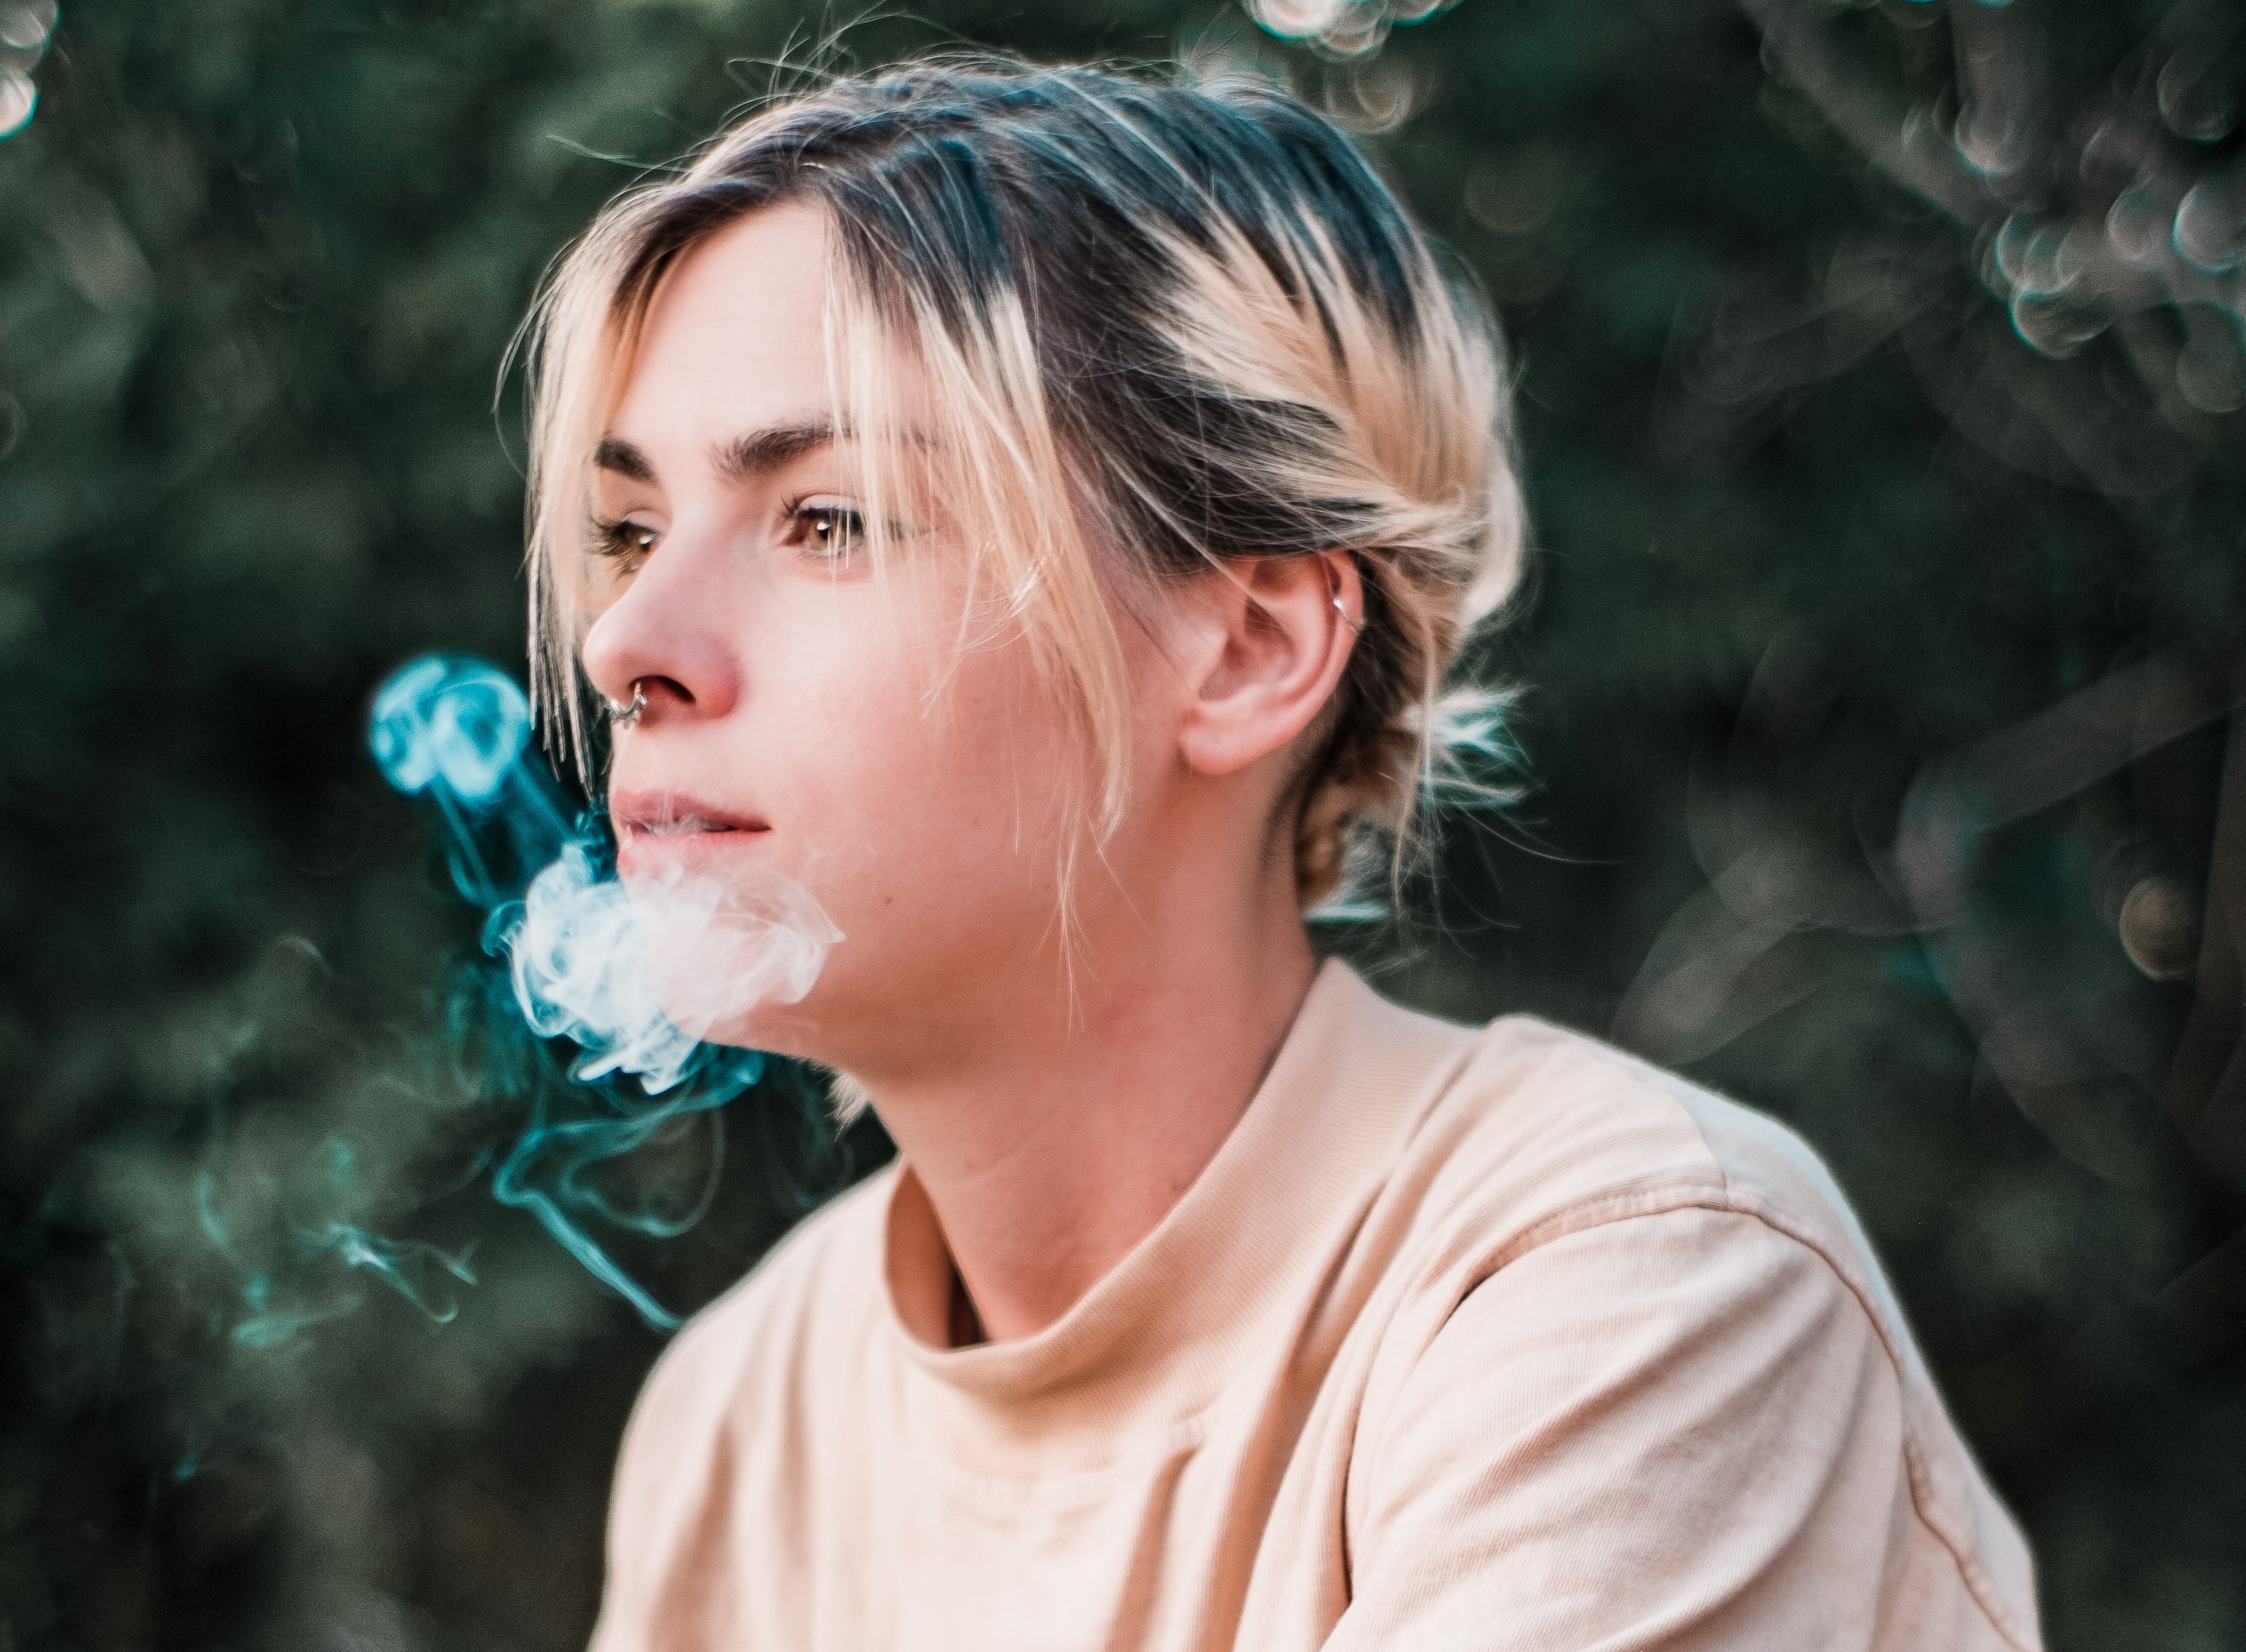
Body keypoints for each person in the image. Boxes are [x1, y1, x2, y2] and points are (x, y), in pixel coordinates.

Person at [515, 57, 2043, 1652]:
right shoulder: (738, 1420)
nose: (627, 638)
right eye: (628, 530)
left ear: (1243, 649)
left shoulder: (1633, 1289)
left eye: (826, 520)